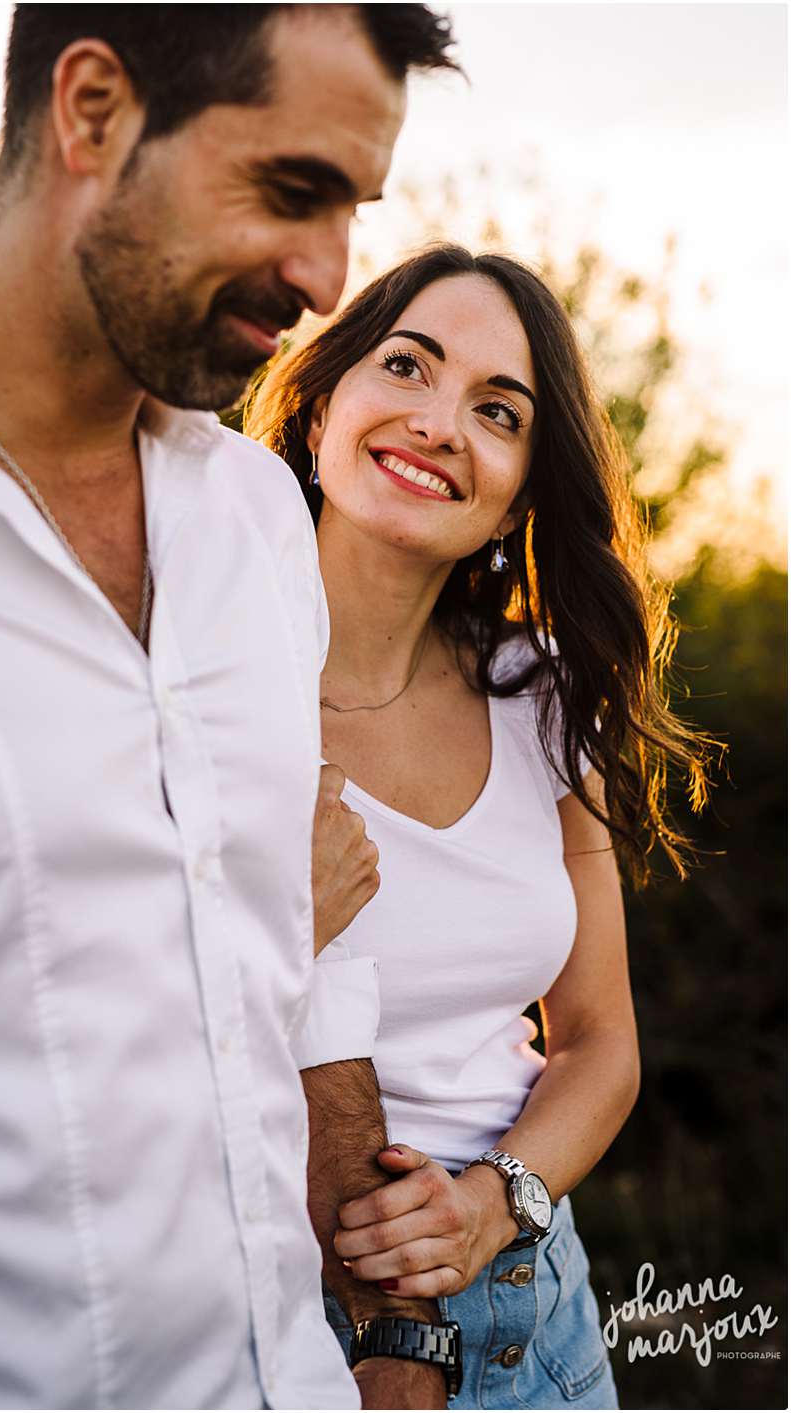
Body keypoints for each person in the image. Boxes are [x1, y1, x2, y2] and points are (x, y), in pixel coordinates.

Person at [0, 5, 461, 1407]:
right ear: (92, 110)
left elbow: (300, 952)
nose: (329, 277)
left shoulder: (256, 511)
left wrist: (387, 1330)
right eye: (291, 191)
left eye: (352, 210)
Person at [245, 245, 712, 1409]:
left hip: (532, 1316)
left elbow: (599, 1041)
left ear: (516, 490)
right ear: (318, 413)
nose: (438, 421)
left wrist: (494, 1201)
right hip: (288, 1322)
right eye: (405, 365)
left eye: (494, 411)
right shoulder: (195, 686)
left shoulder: (543, 692)